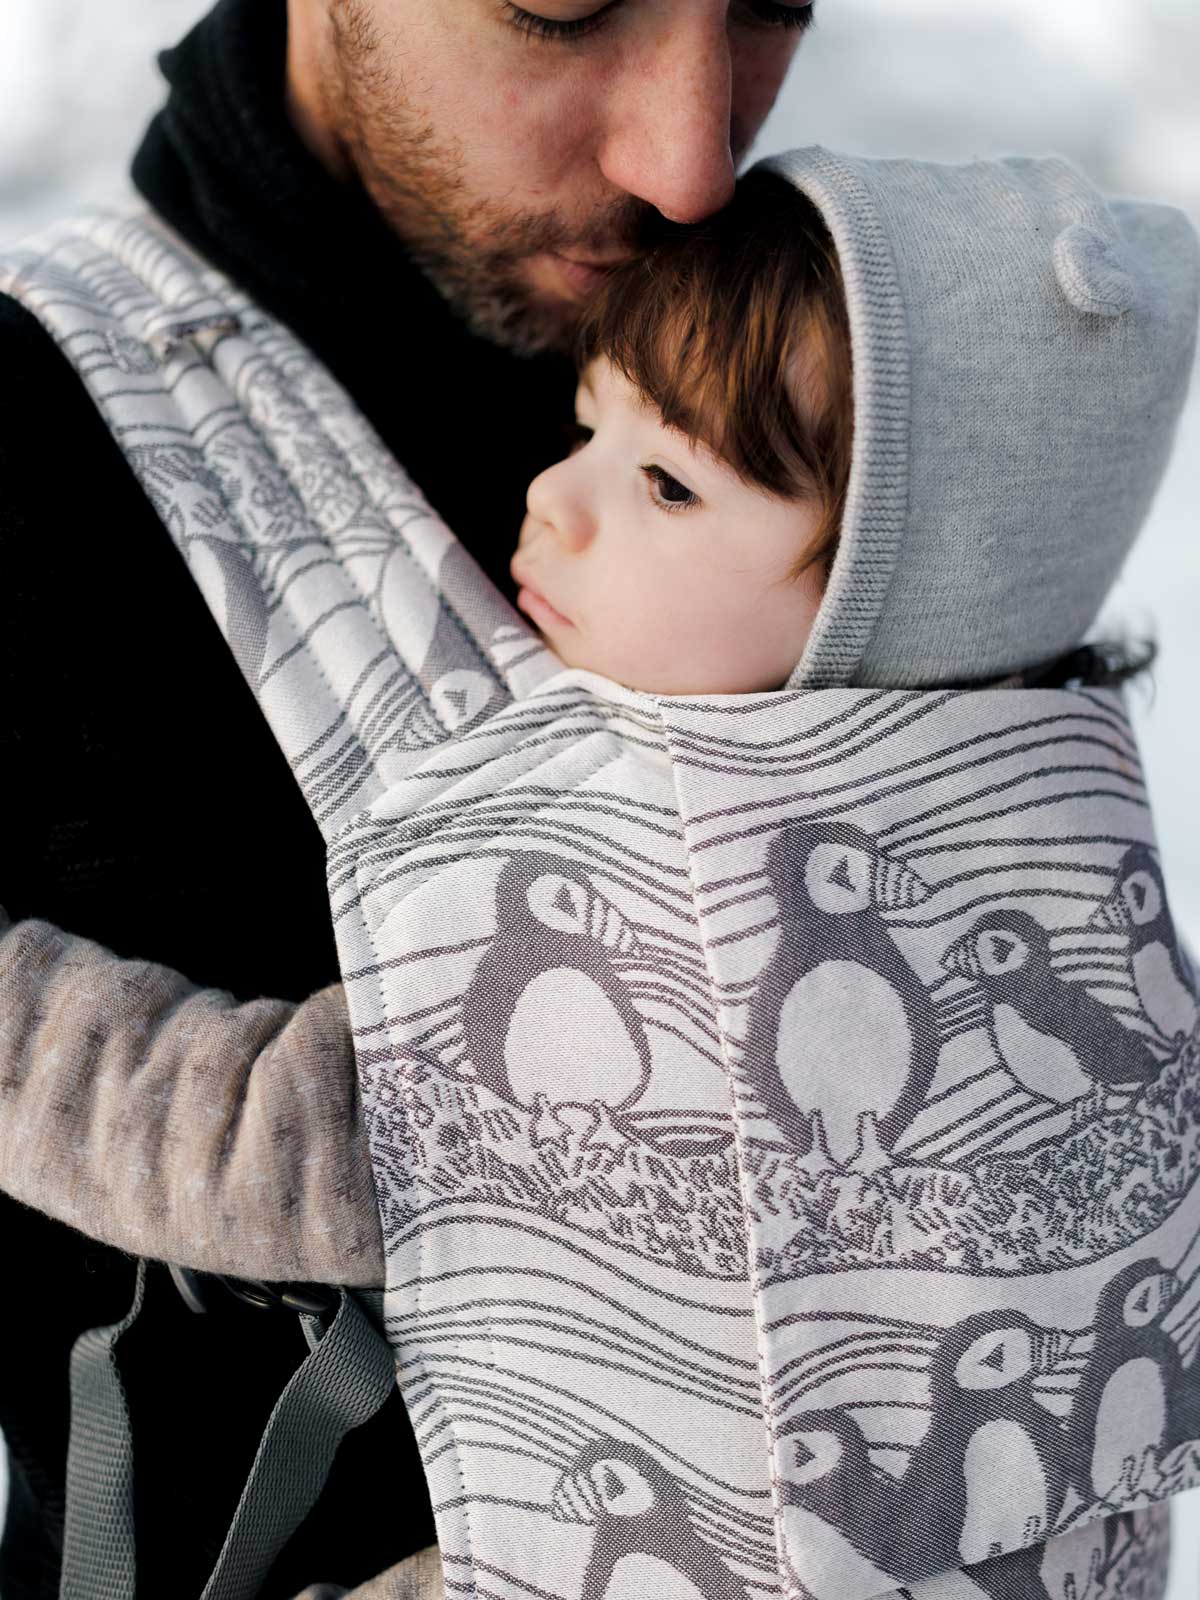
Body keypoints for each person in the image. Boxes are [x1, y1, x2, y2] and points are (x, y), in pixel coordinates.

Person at [2, 153, 1196, 1600]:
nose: (554, 498)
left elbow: (244, 1145)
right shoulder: (1058, 857)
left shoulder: (656, 874)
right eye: (587, 424)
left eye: (666, 485)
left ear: (898, 591)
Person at [0, 1, 816, 1594]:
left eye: (777, 2)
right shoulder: (30, 462)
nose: (691, 164)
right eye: (562, 5)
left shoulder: (818, 375)